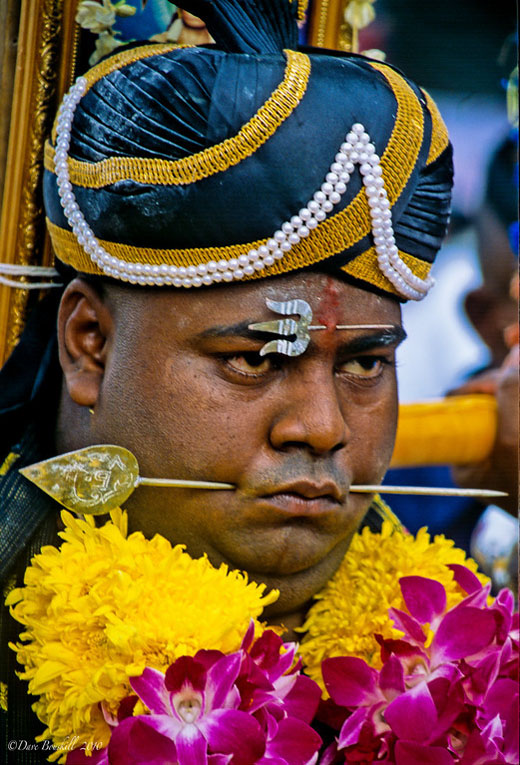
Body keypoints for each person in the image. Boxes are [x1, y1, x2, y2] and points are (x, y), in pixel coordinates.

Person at [0, 0, 456, 760]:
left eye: (365, 363)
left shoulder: (454, 652)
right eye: (256, 357)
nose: (323, 426)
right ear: (89, 346)